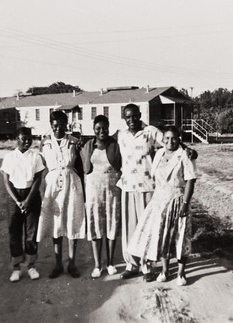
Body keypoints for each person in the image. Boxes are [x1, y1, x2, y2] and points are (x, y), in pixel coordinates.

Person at [115, 103, 197, 282]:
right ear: (123, 118)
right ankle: (131, 264)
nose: (131, 120)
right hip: (128, 186)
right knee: (130, 230)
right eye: (127, 117)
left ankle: (147, 267)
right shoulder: (120, 135)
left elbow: (170, 142)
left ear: (140, 115)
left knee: (149, 230)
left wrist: (187, 149)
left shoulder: (150, 132)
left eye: (135, 116)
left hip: (148, 187)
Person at [36, 110, 86, 279]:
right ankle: (57, 263)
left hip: (71, 183)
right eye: (54, 125)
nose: (58, 128)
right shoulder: (45, 143)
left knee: (72, 221)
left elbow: (81, 165)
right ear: (51, 125)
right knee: (56, 223)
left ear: (66, 125)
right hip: (52, 186)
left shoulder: (74, 142)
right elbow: (41, 167)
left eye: (61, 125)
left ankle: (72, 262)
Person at [0, 127, 45, 282]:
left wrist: (28, 200)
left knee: (31, 233)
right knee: (14, 232)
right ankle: (16, 268)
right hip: (14, 197)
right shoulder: (9, 157)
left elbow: (38, 179)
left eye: (29, 138)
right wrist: (18, 200)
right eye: (23, 138)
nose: (26, 141)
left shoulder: (36, 157)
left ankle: (31, 266)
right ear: (16, 139)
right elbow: (6, 180)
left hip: (31, 196)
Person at [80, 115, 122, 278]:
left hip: (112, 192)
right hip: (93, 193)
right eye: (98, 128)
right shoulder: (88, 145)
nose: (101, 131)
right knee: (96, 226)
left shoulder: (116, 145)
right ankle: (98, 265)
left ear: (109, 127)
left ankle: (110, 263)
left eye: (104, 127)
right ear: (93, 129)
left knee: (111, 226)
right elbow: (83, 166)